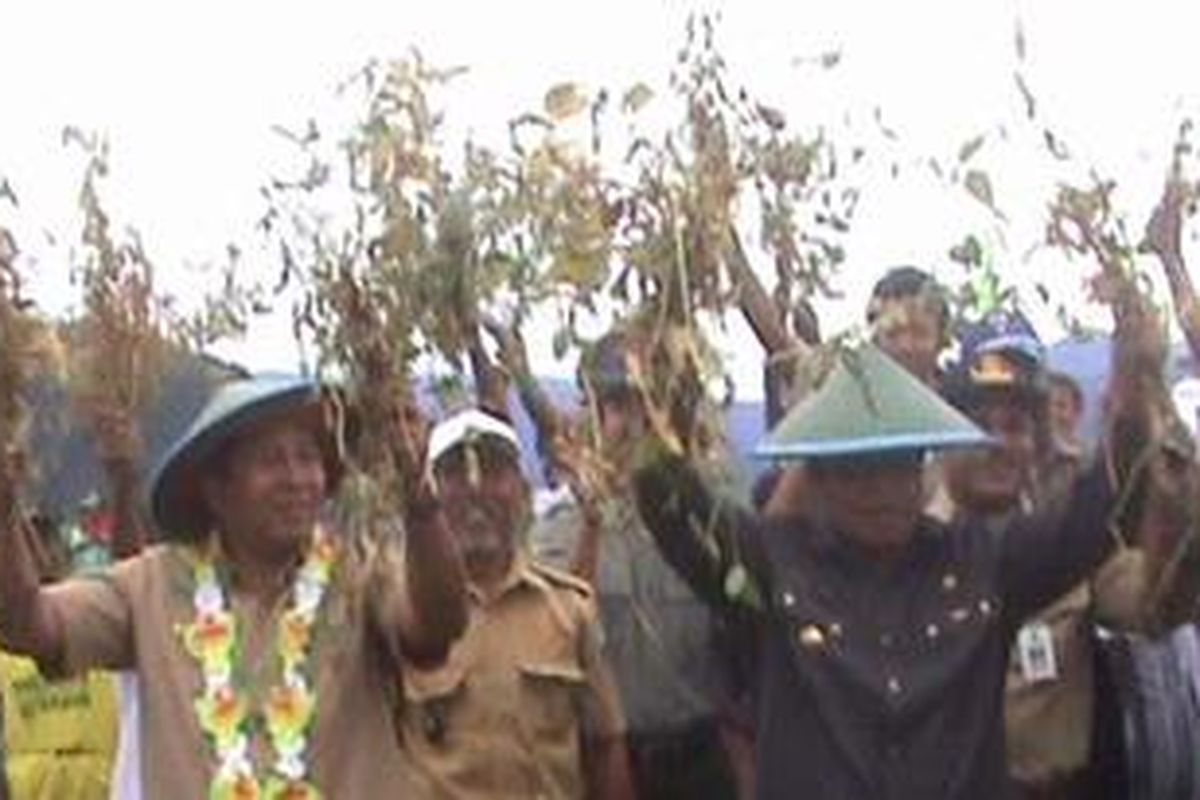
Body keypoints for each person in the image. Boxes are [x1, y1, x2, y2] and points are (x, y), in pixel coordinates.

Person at [631, 297, 1159, 798]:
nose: (881, 491)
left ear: (921, 469)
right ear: (821, 479)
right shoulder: (773, 564)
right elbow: (674, 507)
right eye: (857, 472)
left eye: (897, 468)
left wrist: (1135, 395)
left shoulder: (984, 564)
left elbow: (1103, 510)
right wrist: (664, 371)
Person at [0, 374, 468, 798]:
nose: (297, 479)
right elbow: (28, 624)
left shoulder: (361, 578)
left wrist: (420, 498)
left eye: (308, 459)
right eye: (272, 460)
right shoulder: (149, 588)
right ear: (216, 489)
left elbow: (438, 625)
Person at [938, 313, 1198, 800]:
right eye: (979, 427)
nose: (998, 445)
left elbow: (1154, 603)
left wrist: (1181, 528)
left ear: (1037, 442)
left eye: (1014, 427)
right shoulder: (911, 541)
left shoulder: (1066, 545)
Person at [398, 408, 634, 799]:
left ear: (523, 492)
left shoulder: (569, 611)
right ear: (430, 494)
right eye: (455, 475)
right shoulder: (398, 616)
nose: (476, 489)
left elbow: (606, 744)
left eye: (493, 472)